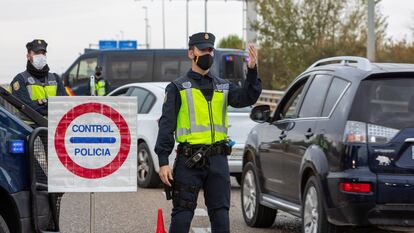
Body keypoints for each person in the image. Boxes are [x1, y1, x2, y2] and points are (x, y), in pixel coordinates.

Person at [155, 32, 262, 233]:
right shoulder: (177, 88)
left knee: (221, 214)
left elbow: (248, 97)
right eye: (203, 49)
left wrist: (252, 70)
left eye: (210, 50)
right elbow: (166, 126)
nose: (208, 54)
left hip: (218, 161)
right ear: (191, 53)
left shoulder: (223, 86)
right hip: (189, 161)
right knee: (183, 214)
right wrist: (163, 162)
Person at [10, 39, 67, 116]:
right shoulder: (20, 79)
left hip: (53, 125)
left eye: (43, 53)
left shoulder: (55, 78)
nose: (41, 56)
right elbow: (26, 107)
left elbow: (65, 103)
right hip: (29, 126)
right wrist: (52, 105)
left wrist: (41, 104)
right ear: (28, 56)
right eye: (37, 53)